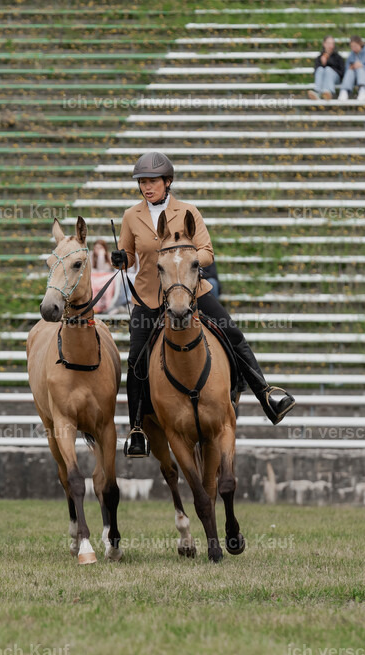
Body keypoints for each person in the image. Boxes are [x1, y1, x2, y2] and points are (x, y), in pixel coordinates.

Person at [111, 151, 296, 456]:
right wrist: (122, 259)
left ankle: (267, 396)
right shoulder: (132, 216)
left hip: (190, 292)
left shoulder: (189, 212)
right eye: (143, 182)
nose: (147, 186)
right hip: (149, 296)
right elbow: (130, 256)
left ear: (167, 182)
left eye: (152, 181)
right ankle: (137, 430)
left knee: (232, 333)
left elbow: (207, 251)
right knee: (135, 360)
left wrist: (184, 260)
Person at [339, 36, 365, 103]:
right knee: (350, 71)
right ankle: (344, 91)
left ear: (360, 44)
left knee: (360, 69)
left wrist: (362, 66)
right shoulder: (351, 55)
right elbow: (346, 70)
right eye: (352, 46)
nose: (353, 48)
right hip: (354, 78)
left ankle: (362, 90)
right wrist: (351, 67)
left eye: (355, 46)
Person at [309, 35, 345, 100]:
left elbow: (341, 73)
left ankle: (328, 92)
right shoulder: (319, 58)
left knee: (328, 70)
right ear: (324, 44)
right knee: (320, 69)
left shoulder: (338, 58)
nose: (330, 46)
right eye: (328, 43)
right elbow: (316, 73)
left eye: (332, 43)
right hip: (323, 79)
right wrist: (323, 64)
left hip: (335, 79)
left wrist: (328, 63)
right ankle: (317, 92)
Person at [90, 239, 120, 315]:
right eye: (96, 248)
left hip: (105, 280)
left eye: (100, 248)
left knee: (110, 281)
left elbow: (107, 270)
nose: (98, 250)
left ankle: (108, 305)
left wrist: (102, 256)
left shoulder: (109, 256)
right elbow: (94, 271)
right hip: (94, 280)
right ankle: (95, 305)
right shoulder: (91, 255)